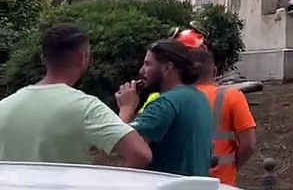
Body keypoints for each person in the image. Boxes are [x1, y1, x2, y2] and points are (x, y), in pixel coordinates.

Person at [0, 23, 151, 167]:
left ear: (43, 59)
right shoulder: (85, 106)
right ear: (82, 58)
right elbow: (140, 154)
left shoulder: (5, 106)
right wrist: (126, 109)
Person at [115, 39, 214, 177]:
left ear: (168, 68)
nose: (141, 71)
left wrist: (126, 108)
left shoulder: (165, 104)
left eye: (148, 64)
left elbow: (126, 147)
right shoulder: (199, 97)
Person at [190, 46, 257, 186]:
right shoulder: (232, 97)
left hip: (183, 182)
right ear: (214, 71)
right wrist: (232, 166)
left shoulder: (173, 99)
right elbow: (249, 144)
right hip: (222, 181)